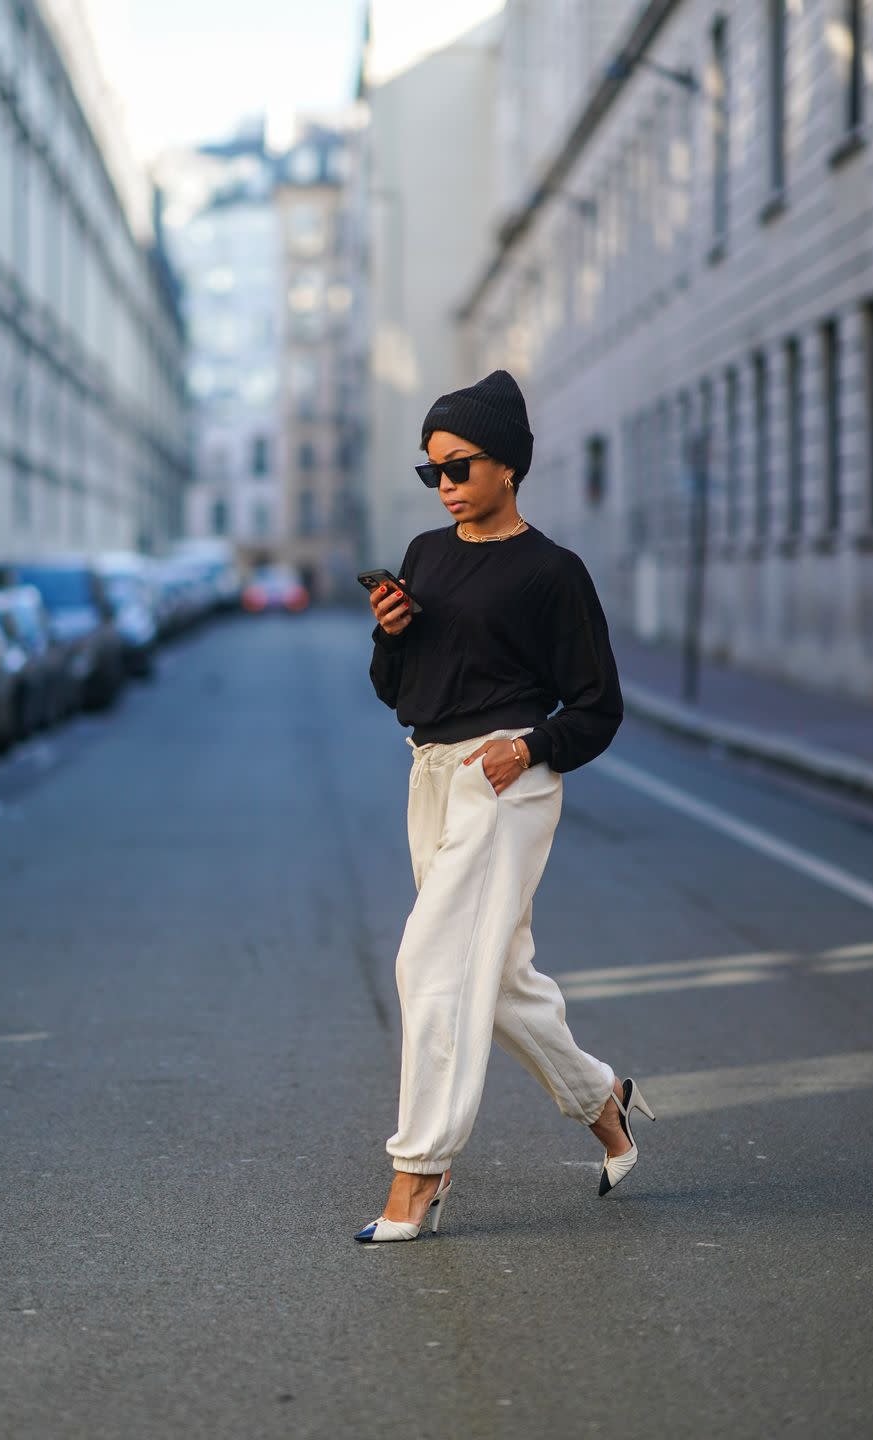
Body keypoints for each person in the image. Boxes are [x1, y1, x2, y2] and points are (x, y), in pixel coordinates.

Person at [356, 369, 655, 1244]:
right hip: (433, 773)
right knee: (497, 980)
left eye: (460, 466)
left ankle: (420, 1171)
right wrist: (393, 632)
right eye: (432, 471)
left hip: (505, 782)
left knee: (433, 964)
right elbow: (394, 690)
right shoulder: (426, 555)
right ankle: (603, 1103)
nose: (445, 485)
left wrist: (527, 748)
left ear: (510, 468)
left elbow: (597, 707)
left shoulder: (553, 572)